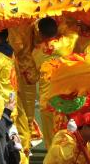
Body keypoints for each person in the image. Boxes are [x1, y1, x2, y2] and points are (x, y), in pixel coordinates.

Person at [32, 18, 77, 148]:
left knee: (50, 140)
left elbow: (33, 73)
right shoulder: (65, 44)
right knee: (65, 135)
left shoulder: (36, 52)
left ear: (40, 33)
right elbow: (73, 32)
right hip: (64, 99)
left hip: (47, 101)